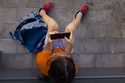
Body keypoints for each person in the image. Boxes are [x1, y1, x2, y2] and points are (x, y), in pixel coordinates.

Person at [35, 1, 89, 83]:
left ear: (50, 67)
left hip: (50, 49)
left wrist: (50, 42)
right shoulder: (72, 69)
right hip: (64, 48)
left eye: (56, 56)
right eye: (65, 57)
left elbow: (47, 50)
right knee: (69, 30)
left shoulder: (42, 62)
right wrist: (70, 44)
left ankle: (42, 12)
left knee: (53, 26)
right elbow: (68, 54)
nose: (60, 54)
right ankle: (79, 15)